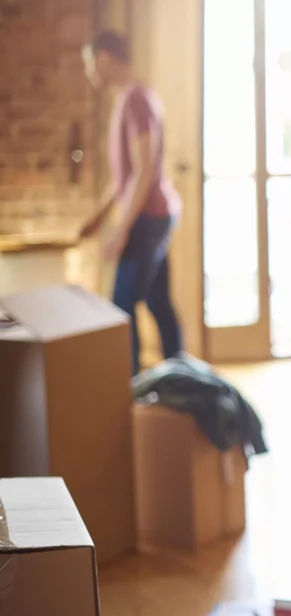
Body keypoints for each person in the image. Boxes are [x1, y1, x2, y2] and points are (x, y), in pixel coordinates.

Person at [79, 30, 183, 376]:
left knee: (121, 307)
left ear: (106, 57)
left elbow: (145, 169)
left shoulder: (137, 100)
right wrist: (101, 215)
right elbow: (126, 175)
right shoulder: (128, 99)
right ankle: (180, 378)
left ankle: (132, 392)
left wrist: (121, 230)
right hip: (153, 213)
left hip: (148, 217)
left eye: (91, 63)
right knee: (158, 303)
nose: (91, 72)